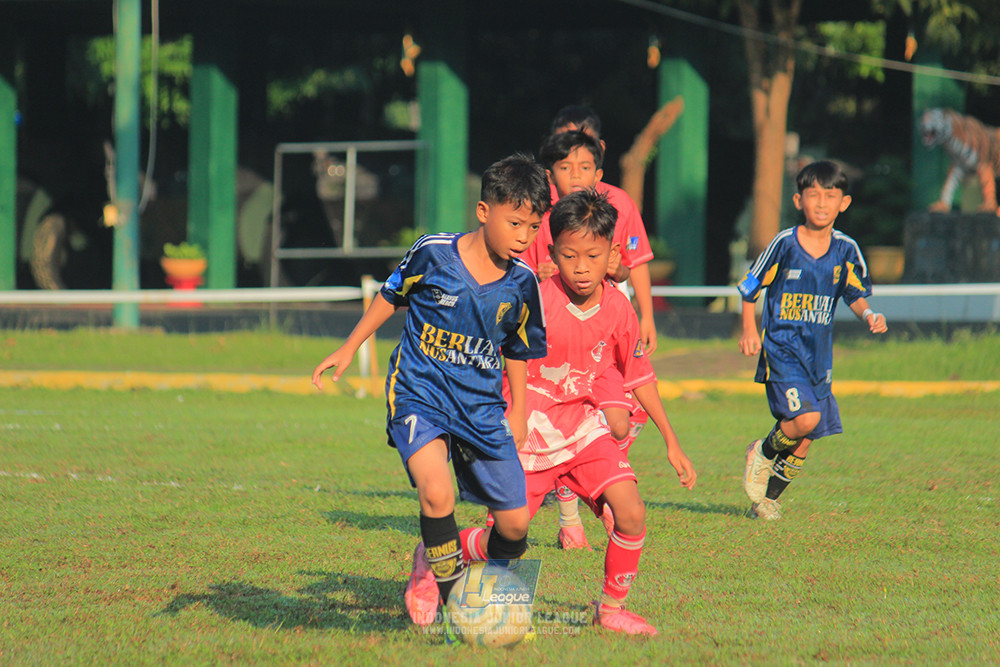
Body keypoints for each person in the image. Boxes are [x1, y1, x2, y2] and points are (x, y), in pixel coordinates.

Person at [311, 154, 551, 627]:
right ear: (484, 212)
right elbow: (390, 294)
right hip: (420, 393)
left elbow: (519, 350)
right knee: (437, 494)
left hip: (481, 407)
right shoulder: (433, 252)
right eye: (516, 222)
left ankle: (450, 566)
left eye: (534, 226)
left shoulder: (523, 283)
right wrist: (348, 346)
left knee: (516, 525)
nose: (525, 235)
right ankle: (455, 604)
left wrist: (519, 410)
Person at [510, 188, 696, 635]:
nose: (580, 267)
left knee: (631, 512)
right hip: (532, 428)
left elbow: (639, 374)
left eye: (592, 256)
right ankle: (438, 555)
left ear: (612, 254)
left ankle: (611, 608)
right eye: (569, 255)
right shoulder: (533, 298)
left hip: (585, 429)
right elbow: (505, 358)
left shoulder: (618, 306)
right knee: (509, 530)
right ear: (551, 252)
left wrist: (672, 442)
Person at [522, 129, 652, 550]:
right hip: (549, 367)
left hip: (604, 344)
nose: (575, 174)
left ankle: (599, 488)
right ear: (550, 172)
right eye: (565, 166)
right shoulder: (540, 218)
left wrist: (641, 308)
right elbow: (520, 271)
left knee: (620, 423)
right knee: (510, 528)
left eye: (583, 166)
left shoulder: (618, 206)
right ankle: (569, 508)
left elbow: (630, 263)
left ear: (599, 169)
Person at [738, 160, 888, 521]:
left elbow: (853, 292)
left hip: (818, 357)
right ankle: (761, 450)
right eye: (813, 195)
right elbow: (749, 288)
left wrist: (869, 314)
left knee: (808, 436)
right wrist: (748, 330)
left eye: (830, 196)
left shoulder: (846, 249)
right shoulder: (785, 244)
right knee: (804, 419)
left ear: (844, 202)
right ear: (798, 200)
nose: (821, 203)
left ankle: (768, 501)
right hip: (782, 348)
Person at [546, 105, 657, 355]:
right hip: (551, 319)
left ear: (600, 149)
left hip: (606, 321)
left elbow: (635, 261)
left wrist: (647, 316)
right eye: (565, 144)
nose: (574, 153)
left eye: (583, 144)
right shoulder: (538, 205)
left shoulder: (621, 203)